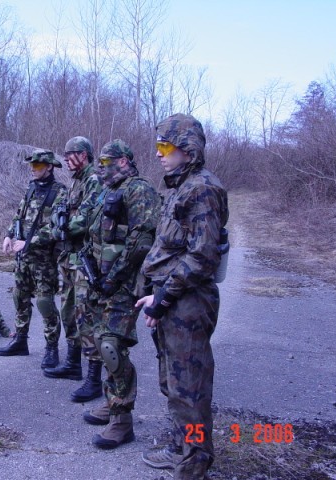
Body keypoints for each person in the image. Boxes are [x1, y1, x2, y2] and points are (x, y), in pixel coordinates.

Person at [135, 114, 229, 479]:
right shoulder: (179, 186)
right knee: (173, 384)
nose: (158, 154)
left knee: (189, 390)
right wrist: (155, 295)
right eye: (157, 146)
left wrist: (164, 297)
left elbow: (202, 257)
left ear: (187, 151)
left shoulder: (202, 188)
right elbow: (168, 249)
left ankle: (194, 465)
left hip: (188, 302)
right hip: (173, 299)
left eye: (164, 146)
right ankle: (181, 449)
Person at [82, 140, 161, 450]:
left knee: (111, 346)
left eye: (107, 161)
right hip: (101, 280)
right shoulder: (104, 190)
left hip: (124, 282)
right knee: (100, 342)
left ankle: (122, 420)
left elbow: (142, 240)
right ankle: (112, 401)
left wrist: (113, 278)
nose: (102, 167)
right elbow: (95, 232)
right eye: (99, 162)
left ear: (125, 162)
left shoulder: (139, 189)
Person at [43, 137, 104, 399]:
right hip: (68, 258)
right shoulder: (76, 182)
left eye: (71, 154)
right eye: (66, 154)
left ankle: (94, 378)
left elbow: (87, 219)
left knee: (85, 316)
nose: (66, 159)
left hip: (84, 259)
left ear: (85, 155)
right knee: (69, 311)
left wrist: (64, 225)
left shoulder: (94, 181)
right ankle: (72, 364)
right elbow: (62, 212)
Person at [0, 148, 68, 369]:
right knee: (20, 298)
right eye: (32, 165)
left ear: (49, 167)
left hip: (44, 259)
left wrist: (29, 242)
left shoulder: (60, 192)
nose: (33, 169)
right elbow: (19, 215)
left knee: (45, 303)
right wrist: (9, 235)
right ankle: (20, 340)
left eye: (37, 165)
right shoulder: (30, 189)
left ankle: (52, 348)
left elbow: (57, 228)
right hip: (23, 258)